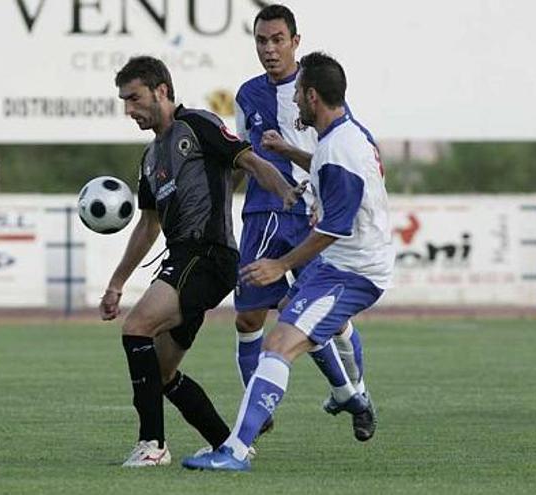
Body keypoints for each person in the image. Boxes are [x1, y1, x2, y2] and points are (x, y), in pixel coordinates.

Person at [182, 52, 394, 471]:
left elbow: (333, 227)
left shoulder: (340, 151)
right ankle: (346, 395)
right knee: (293, 338)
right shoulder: (347, 137)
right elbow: (324, 169)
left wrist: (281, 266)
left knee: (278, 344)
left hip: (349, 272)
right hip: (344, 266)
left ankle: (236, 451)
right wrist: (291, 155)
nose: (294, 98)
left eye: (298, 92)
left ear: (312, 96)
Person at [100, 55, 304, 467]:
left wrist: (284, 191)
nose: (129, 110)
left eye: (134, 99)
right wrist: (116, 282)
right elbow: (148, 226)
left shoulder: (197, 125)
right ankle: (226, 445)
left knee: (136, 328)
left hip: (208, 254)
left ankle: (152, 445)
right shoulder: (150, 158)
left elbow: (250, 160)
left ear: (161, 91)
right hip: (182, 258)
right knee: (162, 373)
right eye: (124, 101)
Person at [234, 3, 369, 438]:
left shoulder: (318, 96)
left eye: (277, 40)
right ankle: (258, 412)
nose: (269, 50)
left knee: (322, 320)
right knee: (248, 318)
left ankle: (353, 391)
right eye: (261, 41)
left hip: (312, 218)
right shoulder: (247, 94)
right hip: (261, 216)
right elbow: (242, 157)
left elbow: (335, 162)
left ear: (295, 41)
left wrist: (299, 170)